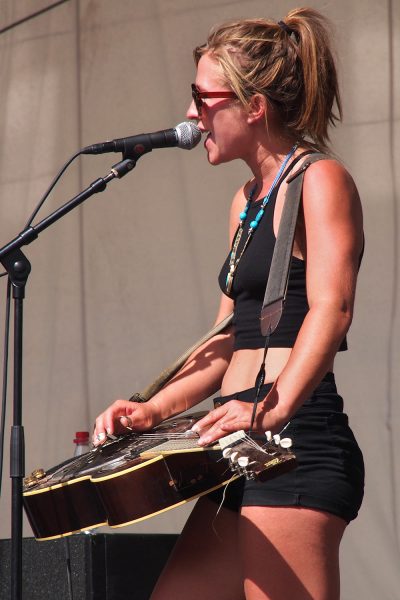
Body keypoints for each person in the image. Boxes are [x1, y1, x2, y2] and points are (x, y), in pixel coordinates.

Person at [93, 7, 364, 599]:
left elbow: (331, 308)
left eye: (202, 98)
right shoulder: (246, 201)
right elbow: (225, 341)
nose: (191, 116)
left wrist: (270, 408)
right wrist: (153, 410)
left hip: (292, 442)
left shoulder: (320, 180)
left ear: (255, 106)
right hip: (234, 446)